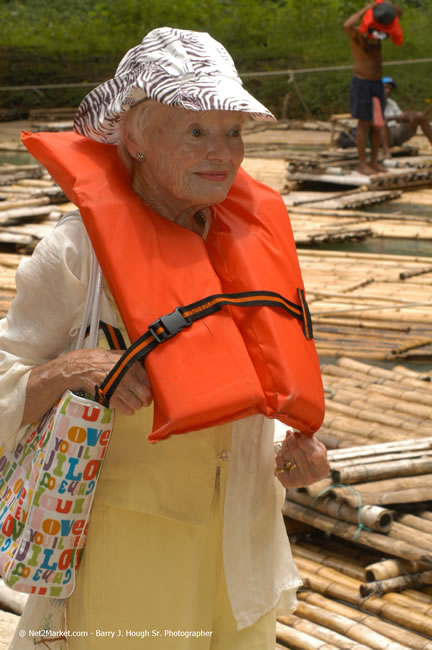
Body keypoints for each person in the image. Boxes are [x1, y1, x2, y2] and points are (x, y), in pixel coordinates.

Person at [3, 28, 329, 650]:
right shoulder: (78, 252)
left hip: (244, 546)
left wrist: (298, 447)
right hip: (125, 551)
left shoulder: (256, 248)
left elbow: (265, 372)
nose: (223, 154)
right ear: (133, 137)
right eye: (196, 132)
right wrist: (73, 370)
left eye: (232, 131)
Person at [344, 1, 403, 174]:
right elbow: (347, 25)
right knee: (363, 123)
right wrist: (367, 9)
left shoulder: (379, 37)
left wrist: (385, 5)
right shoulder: (358, 37)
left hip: (377, 84)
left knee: (377, 124)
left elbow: (398, 14)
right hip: (362, 83)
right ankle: (362, 163)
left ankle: (374, 161)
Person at [381, 76, 432, 157]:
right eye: (385, 87)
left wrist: (409, 115)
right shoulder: (372, 102)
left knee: (419, 116)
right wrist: (393, 118)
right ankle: (386, 151)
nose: (388, 91)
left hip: (395, 132)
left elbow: (401, 117)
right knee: (382, 122)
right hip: (380, 136)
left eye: (390, 88)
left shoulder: (391, 103)